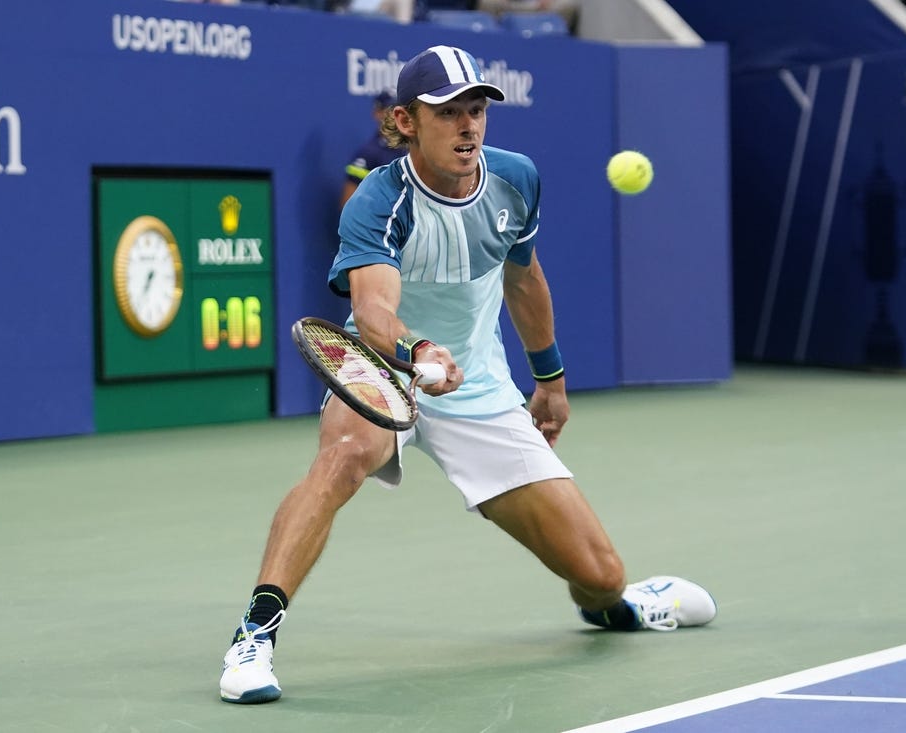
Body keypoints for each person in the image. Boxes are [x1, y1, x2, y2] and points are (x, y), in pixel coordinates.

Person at [218, 44, 717, 705]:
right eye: (448, 111)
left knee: (600, 572)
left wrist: (550, 377)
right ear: (405, 121)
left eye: (476, 109)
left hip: (478, 385)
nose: (468, 125)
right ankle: (255, 634)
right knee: (344, 455)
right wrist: (419, 352)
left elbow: (523, 275)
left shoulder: (515, 180)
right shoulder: (379, 198)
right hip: (388, 369)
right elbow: (372, 311)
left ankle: (616, 606)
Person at [339, 91, 402, 210]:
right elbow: (348, 205)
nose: (395, 115)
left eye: (399, 110)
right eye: (389, 109)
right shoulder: (368, 155)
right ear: (377, 113)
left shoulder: (414, 148)